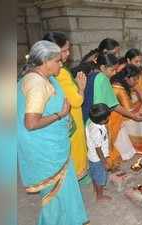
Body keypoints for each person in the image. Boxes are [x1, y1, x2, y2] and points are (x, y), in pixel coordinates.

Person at [17, 40, 88, 225]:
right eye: (57, 60)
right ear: (45, 61)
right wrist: (60, 115)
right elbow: (31, 123)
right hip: (46, 152)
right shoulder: (36, 84)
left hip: (54, 147)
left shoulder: (46, 78)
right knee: (54, 199)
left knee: (64, 194)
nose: (61, 63)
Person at [82, 53, 142, 170]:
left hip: (88, 120)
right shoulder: (103, 79)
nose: (115, 73)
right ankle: (106, 167)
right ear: (102, 68)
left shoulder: (91, 75)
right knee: (102, 147)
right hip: (100, 121)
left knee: (93, 148)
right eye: (112, 70)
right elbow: (113, 105)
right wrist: (133, 116)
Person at [43, 32, 88, 180]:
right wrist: (81, 87)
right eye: (64, 50)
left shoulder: (44, 72)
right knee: (74, 153)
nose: (68, 54)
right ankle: (74, 181)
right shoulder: (60, 73)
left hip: (58, 120)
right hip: (71, 117)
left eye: (69, 49)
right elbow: (77, 101)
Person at [110, 65, 142, 159]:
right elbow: (131, 114)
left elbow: (141, 95)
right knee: (124, 151)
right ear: (127, 78)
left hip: (127, 114)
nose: (137, 81)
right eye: (135, 79)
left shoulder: (127, 81)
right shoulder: (118, 89)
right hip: (115, 120)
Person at [86, 103, 112, 202]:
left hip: (92, 156)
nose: (108, 118)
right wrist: (104, 161)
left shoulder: (91, 123)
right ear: (102, 120)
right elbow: (98, 149)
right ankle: (100, 196)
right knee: (100, 177)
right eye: (107, 117)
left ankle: (96, 189)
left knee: (94, 175)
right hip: (98, 158)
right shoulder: (97, 131)